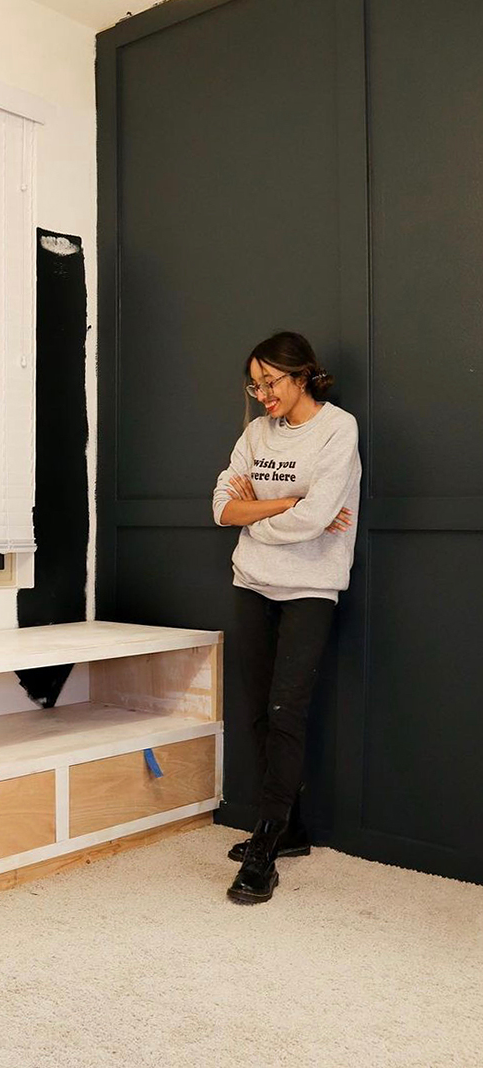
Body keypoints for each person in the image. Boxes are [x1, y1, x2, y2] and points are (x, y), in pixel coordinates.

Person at [211, 331, 361, 905]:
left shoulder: (337, 429)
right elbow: (222, 506)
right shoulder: (255, 433)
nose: (262, 394)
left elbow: (320, 518)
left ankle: (266, 847)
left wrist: (263, 514)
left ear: (302, 374)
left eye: (270, 381)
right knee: (256, 711)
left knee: (285, 712)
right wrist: (282, 506)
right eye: (256, 383)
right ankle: (288, 824)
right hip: (252, 582)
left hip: (310, 587)